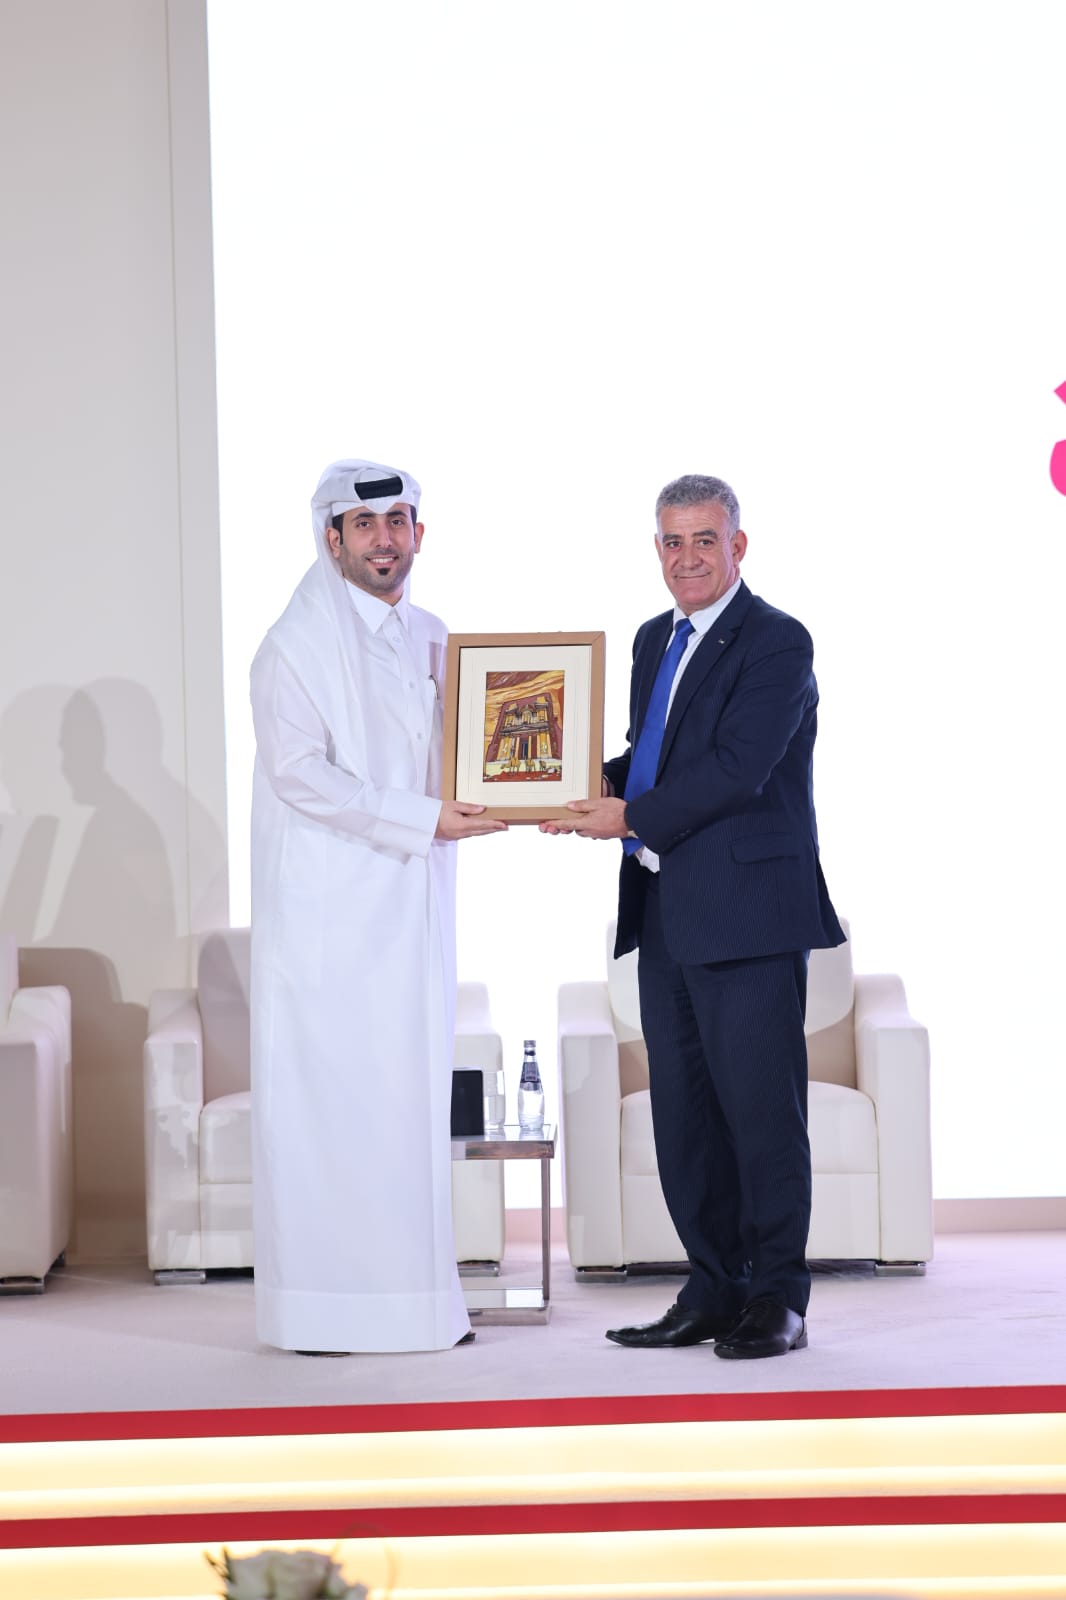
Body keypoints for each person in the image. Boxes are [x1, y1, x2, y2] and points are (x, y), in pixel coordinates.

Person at [547, 473, 843, 1359]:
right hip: (666, 911)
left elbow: (738, 766)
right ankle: (714, 1288)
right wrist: (570, 782)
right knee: (684, 1120)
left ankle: (778, 1300)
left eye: (704, 540)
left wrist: (629, 816)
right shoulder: (654, 639)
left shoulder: (777, 640)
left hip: (747, 916)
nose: (687, 558)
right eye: (672, 542)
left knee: (762, 1116)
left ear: (737, 546)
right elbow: (654, 756)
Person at [249, 458, 505, 1355]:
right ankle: (322, 1312)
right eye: (365, 525)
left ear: (418, 534)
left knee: (404, 1111)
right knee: (333, 1113)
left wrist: (528, 788)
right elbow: (300, 776)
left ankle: (415, 1306)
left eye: (398, 522)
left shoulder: (434, 636)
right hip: (329, 925)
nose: (384, 540)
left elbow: (473, 751)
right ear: (333, 539)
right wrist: (423, 818)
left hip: (412, 911)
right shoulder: (294, 646)